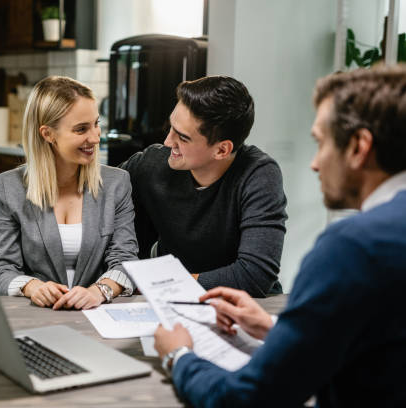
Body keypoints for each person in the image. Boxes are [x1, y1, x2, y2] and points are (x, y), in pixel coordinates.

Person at [154, 65, 406, 407]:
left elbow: (246, 399)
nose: (315, 163)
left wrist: (179, 356)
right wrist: (276, 328)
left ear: (359, 147)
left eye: (321, 142)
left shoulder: (353, 247)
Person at [0, 75, 288, 298]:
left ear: (222, 149)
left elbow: (254, 275)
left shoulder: (258, 175)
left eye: (183, 137)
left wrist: (160, 282)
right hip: (172, 300)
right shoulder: (150, 165)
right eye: (171, 128)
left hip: (250, 303)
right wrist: (11, 233)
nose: (167, 142)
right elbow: (93, 202)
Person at [0, 76, 138, 310]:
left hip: (97, 314)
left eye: (96, 124)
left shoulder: (117, 183)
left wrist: (99, 291)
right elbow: (1, 269)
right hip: (35, 315)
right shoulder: (9, 187)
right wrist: (32, 286)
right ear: (48, 134)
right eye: (81, 129)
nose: (96, 137)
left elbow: (125, 260)